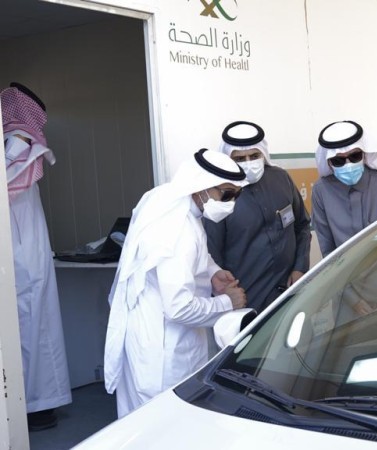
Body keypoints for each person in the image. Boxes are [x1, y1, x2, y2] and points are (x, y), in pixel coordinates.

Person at [104, 149, 249, 418]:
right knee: (159, 426)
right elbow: (179, 308)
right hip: (163, 354)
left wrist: (213, 272)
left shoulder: (171, 202)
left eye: (236, 196)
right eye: (227, 195)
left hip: (151, 336)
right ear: (202, 187)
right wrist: (228, 302)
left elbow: (193, 255)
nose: (231, 204)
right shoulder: (178, 229)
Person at [2, 82, 72, 431]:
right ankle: (35, 404)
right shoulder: (16, 143)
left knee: (34, 326)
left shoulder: (20, 142)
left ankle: (39, 405)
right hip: (21, 251)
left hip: (24, 252)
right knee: (31, 326)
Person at [204, 121, 311, 312]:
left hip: (290, 293)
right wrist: (227, 297)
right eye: (240, 158)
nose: (248, 163)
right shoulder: (220, 194)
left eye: (254, 156)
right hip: (248, 301)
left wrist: (300, 268)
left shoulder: (281, 178)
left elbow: (302, 226)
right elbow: (212, 256)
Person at [311, 120, 377, 257]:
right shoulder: (321, 190)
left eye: (355, 156)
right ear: (329, 163)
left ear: (364, 154)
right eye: (338, 161)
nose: (348, 164)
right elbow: (327, 247)